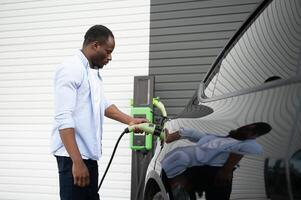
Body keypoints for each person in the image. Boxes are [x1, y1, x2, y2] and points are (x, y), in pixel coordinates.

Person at [50, 25, 147, 200]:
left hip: (88, 157)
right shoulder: (71, 68)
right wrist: (77, 163)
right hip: (73, 158)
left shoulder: (91, 72)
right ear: (95, 45)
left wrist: (130, 120)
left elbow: (102, 104)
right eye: (108, 51)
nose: (110, 57)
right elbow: (63, 119)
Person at [161, 122, 272, 200]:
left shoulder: (248, 145)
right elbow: (196, 134)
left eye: (252, 130)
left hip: (214, 172)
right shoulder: (223, 138)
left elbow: (244, 150)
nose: (247, 129)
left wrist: (226, 170)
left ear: (255, 135)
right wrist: (171, 136)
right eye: (248, 127)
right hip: (194, 166)